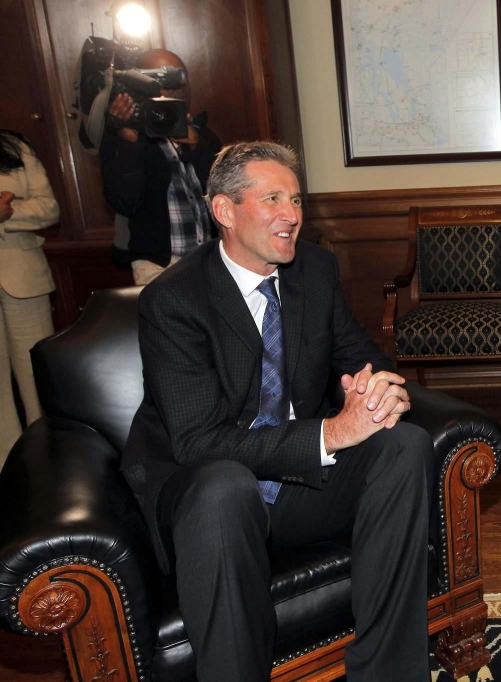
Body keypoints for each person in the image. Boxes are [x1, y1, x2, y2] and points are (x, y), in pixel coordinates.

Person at [121, 141, 432, 681]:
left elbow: (360, 355)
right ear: (224, 210)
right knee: (223, 486)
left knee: (402, 445)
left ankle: (388, 672)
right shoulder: (174, 300)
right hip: (206, 499)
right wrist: (333, 433)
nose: (292, 215)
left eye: (295, 199)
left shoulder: (315, 270)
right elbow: (198, 443)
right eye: (272, 199)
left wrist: (379, 389)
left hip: (292, 484)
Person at [100, 48, 222, 285]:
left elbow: (229, 192)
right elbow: (124, 201)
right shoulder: (126, 136)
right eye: (167, 80)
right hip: (158, 267)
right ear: (142, 84)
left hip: (209, 263)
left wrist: (198, 147)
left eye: (183, 78)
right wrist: (129, 142)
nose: (180, 88)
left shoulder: (202, 134)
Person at [0, 130, 59, 464]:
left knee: (38, 380)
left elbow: (49, 208)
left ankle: (47, 467)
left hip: (23, 277)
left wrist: (9, 214)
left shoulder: (15, 146)